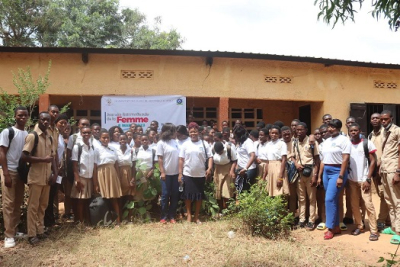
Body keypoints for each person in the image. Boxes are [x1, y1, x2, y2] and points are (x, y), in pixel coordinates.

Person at [22, 112, 57, 245]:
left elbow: (52, 157)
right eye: (43, 119)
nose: (45, 122)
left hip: (47, 177)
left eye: (48, 120)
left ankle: (40, 230)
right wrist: (42, 159)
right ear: (39, 120)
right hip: (35, 177)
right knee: (33, 206)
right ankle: (31, 234)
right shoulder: (32, 136)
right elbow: (24, 157)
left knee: (43, 205)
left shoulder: (49, 137)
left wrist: (54, 173)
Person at [0, 106, 29, 248]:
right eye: (20, 115)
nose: (22, 118)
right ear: (15, 116)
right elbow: (2, 153)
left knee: (18, 202)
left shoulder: (27, 134)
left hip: (20, 172)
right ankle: (8, 235)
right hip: (9, 171)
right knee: (9, 203)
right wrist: (5, 173)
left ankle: (15, 229)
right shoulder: (8, 132)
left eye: (25, 115)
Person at [318, 119, 351, 240]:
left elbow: (345, 159)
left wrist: (341, 176)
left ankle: (330, 228)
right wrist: (320, 175)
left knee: (329, 199)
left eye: (332, 127)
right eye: (329, 127)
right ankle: (336, 225)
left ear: (338, 128)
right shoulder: (326, 141)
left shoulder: (344, 140)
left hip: (337, 171)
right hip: (327, 170)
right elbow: (323, 159)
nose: (330, 129)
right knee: (333, 200)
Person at [347, 123, 379, 241]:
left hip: (364, 180)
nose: (353, 132)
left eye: (356, 130)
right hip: (352, 180)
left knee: (368, 204)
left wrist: (368, 178)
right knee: (354, 205)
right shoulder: (347, 144)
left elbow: (373, 161)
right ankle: (359, 226)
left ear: (360, 130)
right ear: (349, 132)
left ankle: (374, 230)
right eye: (351, 131)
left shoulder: (367, 143)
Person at [178, 122, 212, 224]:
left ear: (199, 132)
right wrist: (180, 174)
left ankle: (196, 217)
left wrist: (209, 168)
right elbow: (181, 159)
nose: (193, 133)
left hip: (201, 174)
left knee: (199, 196)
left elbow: (210, 157)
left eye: (195, 131)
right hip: (188, 174)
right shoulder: (185, 144)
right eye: (191, 132)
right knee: (187, 196)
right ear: (189, 132)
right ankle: (189, 215)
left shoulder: (204, 144)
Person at [293, 122, 320, 230]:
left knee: (311, 198)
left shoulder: (312, 142)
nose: (299, 132)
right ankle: (302, 219)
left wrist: (315, 176)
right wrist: (296, 164)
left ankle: (311, 220)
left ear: (306, 130)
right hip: (299, 172)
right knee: (301, 198)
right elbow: (293, 157)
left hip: (310, 171)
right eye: (297, 130)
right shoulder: (295, 142)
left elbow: (317, 160)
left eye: (301, 130)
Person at [379, 110, 400, 244]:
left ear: (391, 119)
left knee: (396, 200)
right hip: (385, 169)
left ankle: (399, 231)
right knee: (388, 199)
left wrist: (398, 171)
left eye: (385, 119)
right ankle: (393, 227)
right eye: (382, 119)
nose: (383, 121)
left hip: (393, 169)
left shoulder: (397, 131)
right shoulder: (383, 131)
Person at [94, 129, 122, 225]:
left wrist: (118, 177)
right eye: (104, 138)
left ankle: (118, 221)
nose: (106, 139)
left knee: (114, 198)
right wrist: (96, 183)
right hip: (101, 173)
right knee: (104, 198)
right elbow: (95, 167)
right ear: (100, 138)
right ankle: (104, 220)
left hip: (112, 173)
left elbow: (116, 165)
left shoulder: (113, 149)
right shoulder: (96, 149)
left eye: (107, 138)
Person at [369, 112, 390, 230]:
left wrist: (380, 163)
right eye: (373, 118)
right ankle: (387, 219)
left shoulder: (386, 133)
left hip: (385, 168)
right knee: (380, 193)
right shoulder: (370, 135)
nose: (376, 120)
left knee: (384, 194)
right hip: (375, 170)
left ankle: (381, 220)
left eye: (378, 118)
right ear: (370, 121)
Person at [71, 126, 96, 224]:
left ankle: (86, 220)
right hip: (81, 177)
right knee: (80, 201)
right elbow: (74, 165)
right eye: (84, 133)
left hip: (89, 177)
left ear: (91, 134)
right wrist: (77, 180)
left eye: (88, 133)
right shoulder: (77, 146)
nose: (86, 135)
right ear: (81, 133)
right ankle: (80, 222)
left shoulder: (91, 146)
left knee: (87, 200)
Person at [157, 123, 180, 224]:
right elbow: (160, 159)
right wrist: (162, 172)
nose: (176, 132)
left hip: (176, 174)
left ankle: (171, 215)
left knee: (175, 195)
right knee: (165, 195)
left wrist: (180, 173)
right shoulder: (161, 143)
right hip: (165, 174)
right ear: (169, 132)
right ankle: (163, 216)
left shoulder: (176, 142)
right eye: (174, 130)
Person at [44, 105, 60, 229]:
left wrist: (57, 164)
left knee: (52, 193)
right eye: (52, 112)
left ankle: (50, 221)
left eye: (56, 112)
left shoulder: (56, 129)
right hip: (44, 164)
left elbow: (55, 149)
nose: (54, 114)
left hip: (54, 164)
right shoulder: (44, 128)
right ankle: (44, 223)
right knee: (45, 195)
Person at [115, 133, 135, 222]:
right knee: (120, 196)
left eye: (124, 139)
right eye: (121, 139)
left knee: (130, 196)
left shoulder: (131, 150)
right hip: (119, 173)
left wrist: (133, 178)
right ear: (118, 140)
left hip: (129, 172)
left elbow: (134, 166)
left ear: (127, 140)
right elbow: (115, 164)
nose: (122, 141)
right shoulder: (115, 150)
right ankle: (120, 218)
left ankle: (129, 217)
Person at [213, 141, 237, 211]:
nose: (220, 153)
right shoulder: (212, 150)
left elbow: (234, 160)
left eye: (221, 152)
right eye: (218, 153)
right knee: (218, 190)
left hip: (227, 170)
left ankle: (228, 209)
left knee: (226, 190)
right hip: (217, 170)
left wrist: (232, 171)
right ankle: (220, 209)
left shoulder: (229, 149)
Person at [265, 126, 289, 197]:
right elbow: (267, 161)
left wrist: (280, 177)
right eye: (272, 133)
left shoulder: (282, 144)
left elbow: (284, 159)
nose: (274, 135)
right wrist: (264, 176)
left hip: (278, 166)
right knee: (270, 193)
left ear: (279, 134)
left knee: (279, 191)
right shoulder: (268, 144)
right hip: (270, 167)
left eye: (276, 133)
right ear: (270, 133)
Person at [133, 135, 157, 201]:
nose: (144, 141)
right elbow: (134, 163)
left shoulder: (153, 151)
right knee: (139, 189)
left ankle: (149, 208)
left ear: (148, 140)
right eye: (143, 140)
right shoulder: (136, 151)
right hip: (139, 173)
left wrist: (151, 171)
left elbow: (155, 163)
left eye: (146, 140)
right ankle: (140, 206)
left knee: (148, 190)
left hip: (149, 173)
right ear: (140, 141)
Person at [234, 125, 256, 193]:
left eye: (236, 136)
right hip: (241, 169)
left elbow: (253, 156)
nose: (235, 138)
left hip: (248, 170)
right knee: (240, 190)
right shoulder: (241, 142)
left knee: (246, 190)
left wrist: (245, 168)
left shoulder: (248, 142)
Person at [61, 123, 73, 220]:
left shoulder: (73, 139)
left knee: (70, 192)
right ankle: (65, 212)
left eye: (68, 128)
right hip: (61, 169)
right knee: (64, 193)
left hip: (70, 169)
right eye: (65, 128)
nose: (66, 130)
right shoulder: (59, 139)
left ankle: (70, 212)